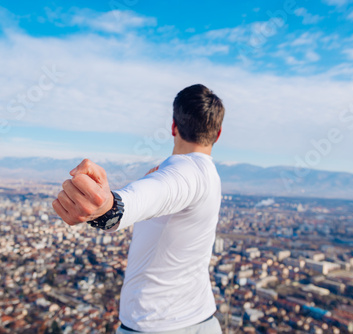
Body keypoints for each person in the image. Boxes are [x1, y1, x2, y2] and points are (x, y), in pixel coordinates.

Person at [52, 84, 225, 334]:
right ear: (217, 134)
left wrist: (107, 207)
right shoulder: (209, 175)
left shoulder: (187, 172)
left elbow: (142, 197)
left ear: (174, 126)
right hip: (202, 319)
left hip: (158, 326)